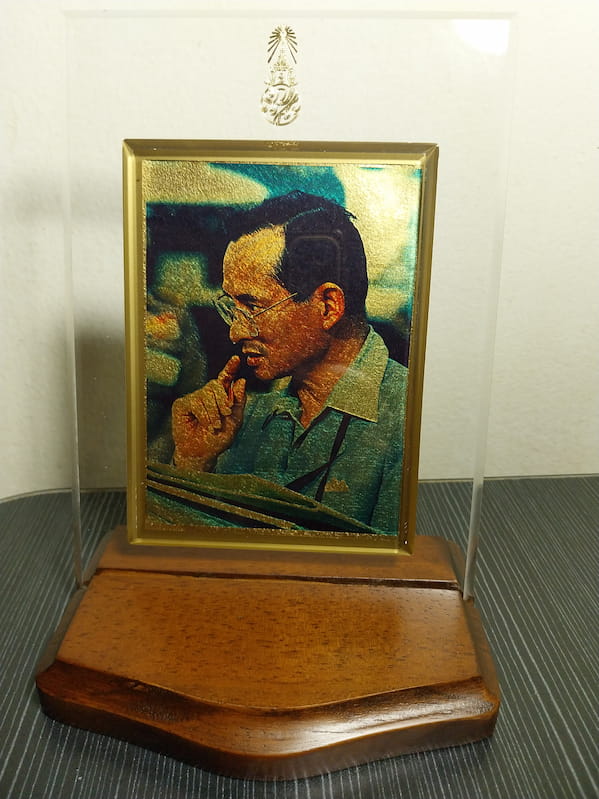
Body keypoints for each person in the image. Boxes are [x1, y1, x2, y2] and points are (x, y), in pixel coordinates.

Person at [171, 191, 407, 535]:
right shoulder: (240, 417)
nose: (235, 332)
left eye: (253, 307)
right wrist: (194, 463)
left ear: (328, 306)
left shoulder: (408, 419)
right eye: (232, 309)